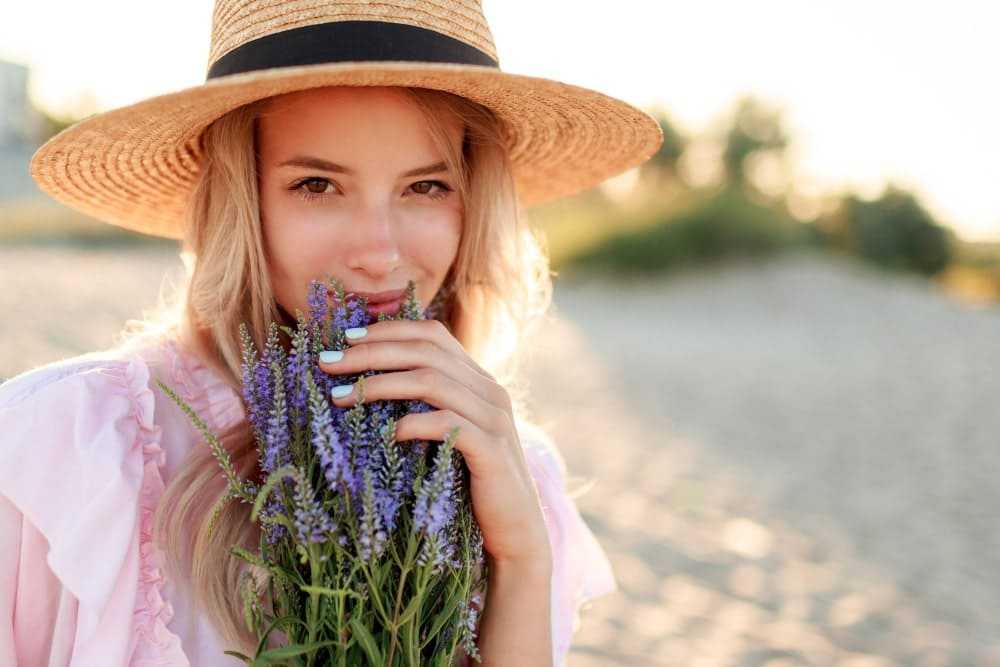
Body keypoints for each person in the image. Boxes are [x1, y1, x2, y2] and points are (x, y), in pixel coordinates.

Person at [0, 1, 662, 665]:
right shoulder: (62, 452)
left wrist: (519, 558)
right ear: (242, 199)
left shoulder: (517, 473)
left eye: (426, 186)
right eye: (317, 184)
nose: (378, 251)